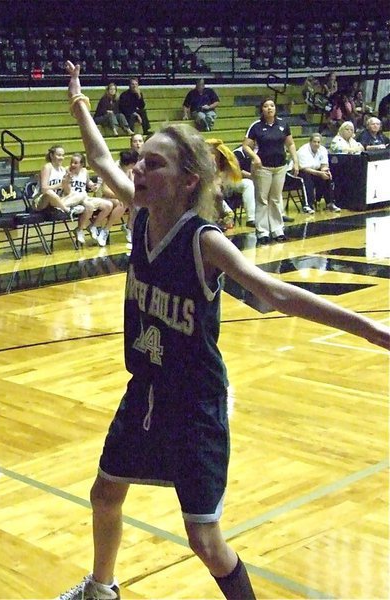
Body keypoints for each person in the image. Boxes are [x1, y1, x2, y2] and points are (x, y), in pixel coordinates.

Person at [59, 60, 390, 600]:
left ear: (187, 180)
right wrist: (77, 98)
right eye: (140, 161)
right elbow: (99, 156)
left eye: (153, 164)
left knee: (205, 541)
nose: (138, 171)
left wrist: (369, 327)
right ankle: (102, 587)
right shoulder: (141, 210)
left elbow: (276, 293)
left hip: (195, 405)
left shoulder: (203, 240)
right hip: (144, 390)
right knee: (104, 493)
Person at [242, 98, 299, 245]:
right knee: (262, 199)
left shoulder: (283, 124)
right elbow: (246, 146)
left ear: (275, 108)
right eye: (266, 106)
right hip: (263, 168)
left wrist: (296, 162)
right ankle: (262, 231)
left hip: (280, 167)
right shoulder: (256, 126)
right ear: (262, 109)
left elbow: (290, 144)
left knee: (275, 198)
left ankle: (277, 229)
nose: (269, 108)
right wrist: (255, 157)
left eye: (272, 106)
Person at [63, 153, 107, 245]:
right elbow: (65, 190)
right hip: (72, 199)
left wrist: (93, 186)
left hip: (84, 197)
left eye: (75, 163)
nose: (72, 165)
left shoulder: (84, 172)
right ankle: (79, 229)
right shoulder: (66, 171)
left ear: (82, 164)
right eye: (71, 162)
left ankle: (93, 226)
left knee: (108, 205)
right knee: (89, 206)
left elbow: (88, 183)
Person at [36, 144, 85, 218]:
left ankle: (60, 208)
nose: (61, 158)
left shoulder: (63, 170)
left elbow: (67, 192)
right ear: (52, 156)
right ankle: (67, 210)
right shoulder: (47, 167)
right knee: (50, 193)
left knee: (80, 194)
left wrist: (66, 183)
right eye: (59, 155)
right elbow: (44, 189)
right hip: (42, 201)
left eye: (63, 155)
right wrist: (60, 184)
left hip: (57, 202)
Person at [297, 133, 337, 213]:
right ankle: (308, 205)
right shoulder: (303, 151)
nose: (316, 144)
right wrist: (320, 173)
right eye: (314, 142)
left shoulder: (322, 149)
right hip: (300, 172)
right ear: (310, 142)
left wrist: (326, 171)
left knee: (328, 176)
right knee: (307, 177)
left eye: (318, 142)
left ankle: (330, 203)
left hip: (315, 171)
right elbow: (305, 169)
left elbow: (324, 165)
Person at [231, 145, 256, 227]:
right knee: (248, 184)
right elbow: (238, 171)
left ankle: (278, 215)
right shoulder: (237, 153)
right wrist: (254, 177)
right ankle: (251, 219)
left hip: (252, 179)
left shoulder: (257, 151)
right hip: (233, 180)